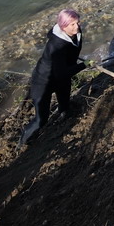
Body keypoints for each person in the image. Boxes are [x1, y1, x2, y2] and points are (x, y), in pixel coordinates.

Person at [20, 8, 87, 145]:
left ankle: (64, 117)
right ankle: (23, 142)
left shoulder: (76, 33)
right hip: (43, 81)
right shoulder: (56, 46)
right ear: (63, 26)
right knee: (41, 119)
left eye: (78, 23)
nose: (77, 27)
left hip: (61, 77)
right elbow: (61, 72)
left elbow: (64, 68)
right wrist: (83, 65)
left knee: (65, 103)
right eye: (72, 24)